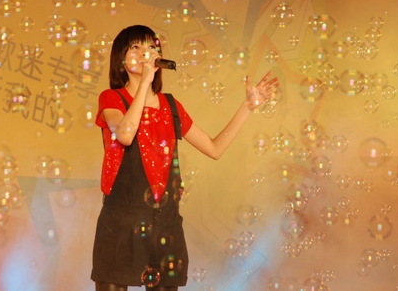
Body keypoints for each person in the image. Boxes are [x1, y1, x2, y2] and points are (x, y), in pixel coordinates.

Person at [91, 25, 278, 291]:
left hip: (165, 222)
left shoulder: (171, 106)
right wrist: (144, 83)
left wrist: (247, 107)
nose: (145, 53)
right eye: (136, 47)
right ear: (120, 57)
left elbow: (214, 148)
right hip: (122, 220)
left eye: (151, 47)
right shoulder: (112, 98)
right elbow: (125, 134)